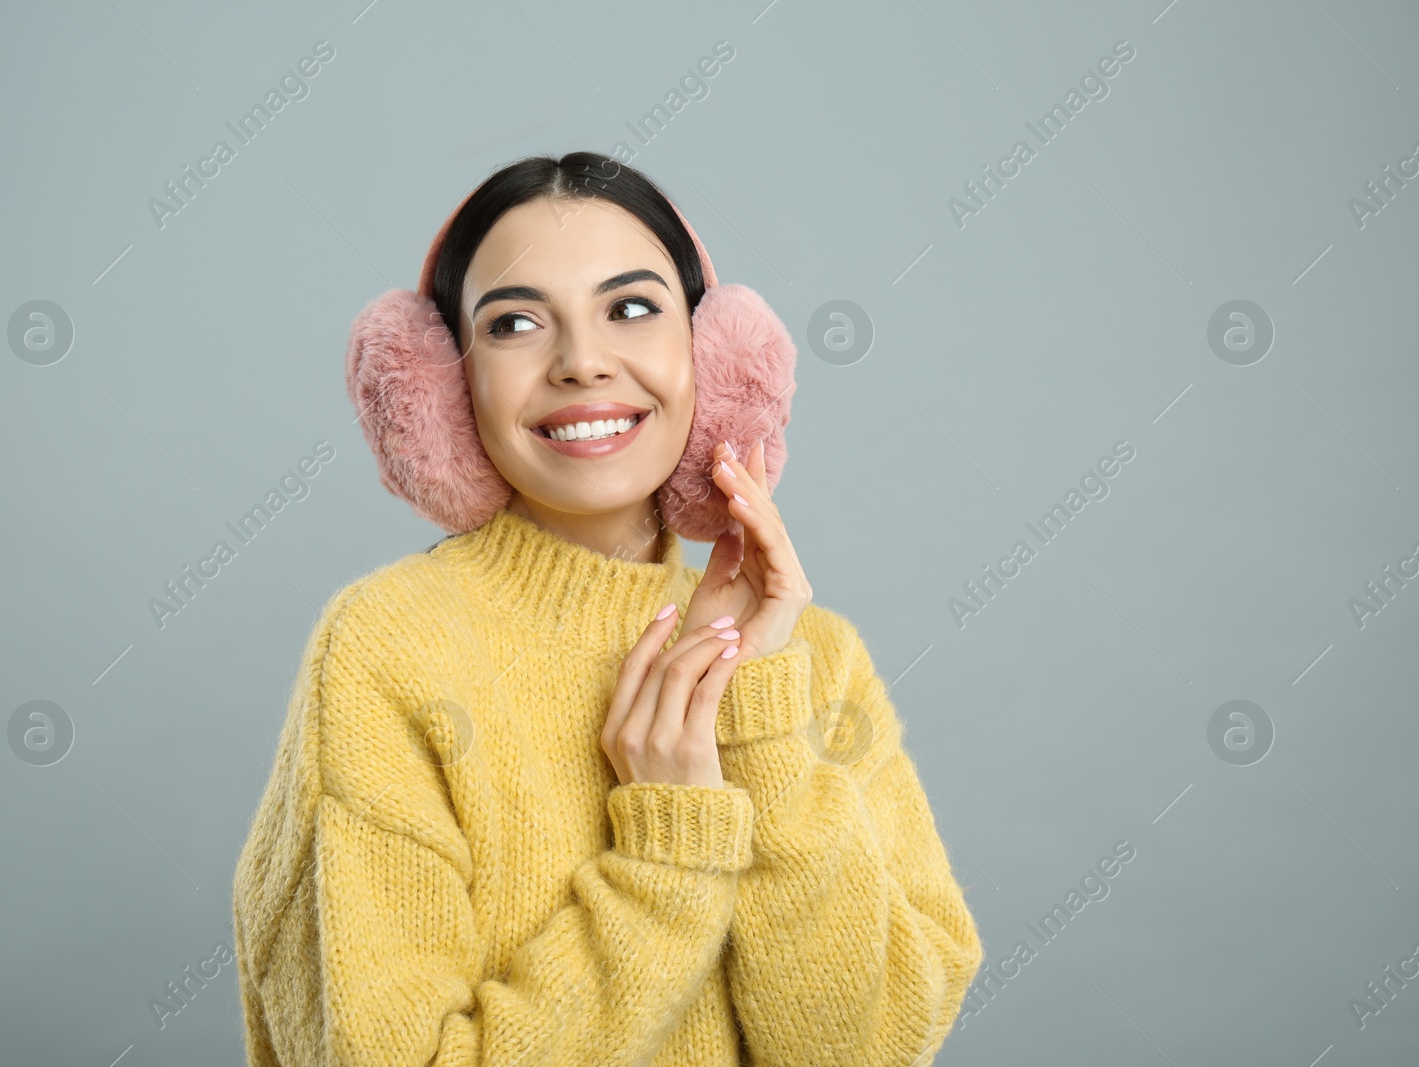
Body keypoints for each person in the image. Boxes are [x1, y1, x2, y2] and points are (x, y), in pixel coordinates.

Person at [231, 151, 983, 1066]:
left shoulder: (813, 656)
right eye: (513, 323)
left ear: (713, 357)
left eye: (631, 308)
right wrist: (668, 857)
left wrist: (759, 728)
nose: (583, 362)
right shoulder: (386, 648)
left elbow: (865, 1048)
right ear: (441, 389)